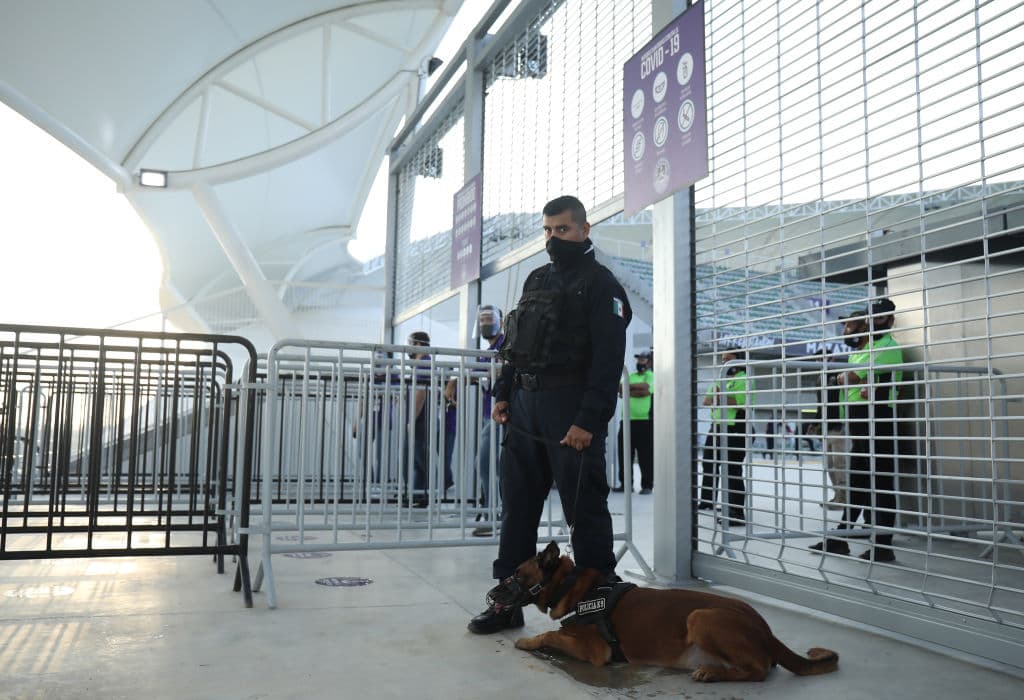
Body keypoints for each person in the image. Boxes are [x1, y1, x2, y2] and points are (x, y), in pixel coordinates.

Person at [467, 195, 632, 634]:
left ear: (584, 229)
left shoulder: (603, 285)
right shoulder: (536, 278)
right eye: (547, 230)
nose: (553, 238)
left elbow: (608, 361)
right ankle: (508, 602)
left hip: (570, 410)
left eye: (562, 229)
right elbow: (516, 348)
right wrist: (502, 393)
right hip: (524, 408)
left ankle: (599, 610)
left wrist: (588, 421)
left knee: (585, 511)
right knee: (517, 508)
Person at [810, 298, 902, 562]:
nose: (874, 323)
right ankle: (842, 538)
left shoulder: (888, 347)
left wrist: (848, 378)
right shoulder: (865, 349)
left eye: (880, 318)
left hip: (879, 420)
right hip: (860, 420)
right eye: (871, 318)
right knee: (859, 482)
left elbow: (851, 379)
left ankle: (884, 546)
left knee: (881, 483)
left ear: (890, 320)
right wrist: (850, 378)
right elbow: (852, 379)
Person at [443, 305, 506, 534]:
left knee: (488, 464)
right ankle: (491, 510)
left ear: (501, 321)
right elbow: (470, 371)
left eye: (489, 318)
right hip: (486, 413)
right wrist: (454, 379)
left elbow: (499, 370)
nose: (485, 323)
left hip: (502, 413)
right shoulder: (485, 350)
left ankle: (494, 513)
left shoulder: (505, 346)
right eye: (481, 320)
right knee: (487, 463)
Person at [698, 347, 750, 527]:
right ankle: (707, 500)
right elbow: (706, 400)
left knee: (732, 469)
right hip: (718, 426)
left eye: (728, 359)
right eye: (722, 360)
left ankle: (736, 512)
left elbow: (740, 403)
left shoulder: (744, 379)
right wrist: (722, 397)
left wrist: (720, 396)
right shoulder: (721, 379)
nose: (724, 363)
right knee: (709, 462)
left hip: (735, 427)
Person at [807, 365, 848, 509]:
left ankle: (844, 498)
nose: (821, 361)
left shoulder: (837, 375)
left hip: (838, 425)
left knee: (840, 463)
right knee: (830, 465)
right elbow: (821, 405)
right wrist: (815, 422)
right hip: (826, 427)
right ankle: (838, 495)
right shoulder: (820, 378)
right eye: (818, 359)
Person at [614, 350, 654, 494]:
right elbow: (619, 389)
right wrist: (634, 389)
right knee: (624, 454)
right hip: (626, 421)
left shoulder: (651, 376)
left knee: (645, 455)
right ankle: (625, 484)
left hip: (644, 422)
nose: (639, 362)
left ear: (649, 362)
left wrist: (627, 390)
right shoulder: (630, 376)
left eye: (643, 360)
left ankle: (647, 485)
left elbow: (646, 390)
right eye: (639, 360)